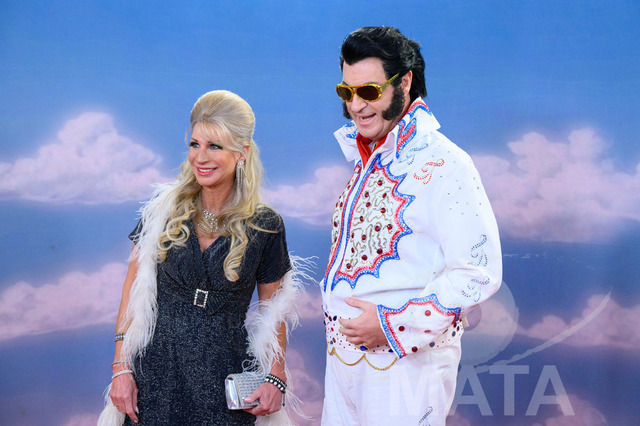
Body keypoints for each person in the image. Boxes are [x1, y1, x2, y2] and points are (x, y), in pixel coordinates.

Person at [321, 27, 502, 425]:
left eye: (369, 91)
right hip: (342, 364)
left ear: (404, 82)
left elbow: (478, 271)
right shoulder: (368, 160)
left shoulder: (445, 162)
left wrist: (392, 324)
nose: (356, 105)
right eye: (346, 92)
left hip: (405, 367)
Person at [98, 90, 303, 425]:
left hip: (224, 380)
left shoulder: (265, 224)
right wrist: (121, 367)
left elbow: (275, 309)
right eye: (195, 144)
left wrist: (276, 376)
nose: (201, 157)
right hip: (155, 378)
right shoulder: (162, 210)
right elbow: (132, 293)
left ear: (241, 153)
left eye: (215, 146)